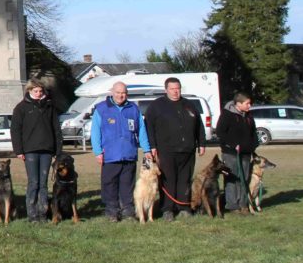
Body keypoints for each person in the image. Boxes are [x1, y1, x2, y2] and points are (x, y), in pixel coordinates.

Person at [144, 77, 205, 220]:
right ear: (166, 90)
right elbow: (149, 128)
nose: (175, 91)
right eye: (172, 89)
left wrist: (201, 143)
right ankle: (167, 209)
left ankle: (184, 207)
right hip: (165, 150)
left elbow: (199, 126)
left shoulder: (189, 105)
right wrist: (152, 146)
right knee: (168, 180)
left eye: (177, 88)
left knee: (185, 180)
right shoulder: (156, 106)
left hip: (187, 150)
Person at [91, 81, 152, 221]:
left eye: (123, 93)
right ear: (112, 93)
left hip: (129, 155)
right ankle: (112, 211)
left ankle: (128, 211)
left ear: (127, 94)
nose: (120, 96)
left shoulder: (133, 109)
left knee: (127, 185)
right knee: (110, 185)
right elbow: (95, 132)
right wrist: (98, 152)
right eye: (118, 93)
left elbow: (141, 130)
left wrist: (146, 149)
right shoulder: (101, 109)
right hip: (110, 156)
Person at [10, 79, 63, 222]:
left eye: (41, 91)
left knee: (43, 183)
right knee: (33, 182)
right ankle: (32, 214)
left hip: (46, 149)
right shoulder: (21, 108)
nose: (39, 93)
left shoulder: (49, 106)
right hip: (30, 150)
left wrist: (58, 151)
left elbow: (56, 129)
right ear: (29, 91)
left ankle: (42, 213)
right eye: (36, 91)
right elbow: (15, 130)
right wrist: (19, 150)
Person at [215, 92, 257, 214]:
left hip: (246, 153)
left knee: (244, 179)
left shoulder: (249, 116)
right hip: (231, 153)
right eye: (247, 103)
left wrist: (253, 145)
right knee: (232, 179)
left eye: (250, 103)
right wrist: (233, 144)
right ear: (238, 104)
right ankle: (232, 205)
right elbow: (220, 132)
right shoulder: (227, 115)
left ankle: (243, 204)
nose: (249, 106)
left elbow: (253, 132)